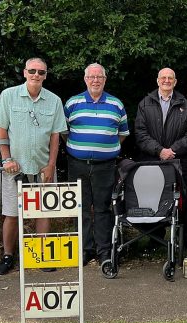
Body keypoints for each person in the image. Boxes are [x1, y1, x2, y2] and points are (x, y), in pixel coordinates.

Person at [0, 58, 67, 275]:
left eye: (41, 72)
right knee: (12, 214)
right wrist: (6, 160)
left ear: (45, 75)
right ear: (24, 72)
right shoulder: (9, 95)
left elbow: (55, 136)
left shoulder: (54, 100)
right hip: (15, 168)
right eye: (32, 71)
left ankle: (42, 256)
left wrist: (51, 164)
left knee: (43, 213)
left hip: (43, 168)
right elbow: (1, 130)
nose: (36, 75)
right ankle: (8, 256)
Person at [64, 63, 129, 265]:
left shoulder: (116, 104)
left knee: (103, 209)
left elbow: (123, 134)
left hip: (105, 165)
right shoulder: (72, 103)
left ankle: (104, 252)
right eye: (91, 77)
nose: (95, 80)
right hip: (77, 164)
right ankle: (84, 250)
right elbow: (63, 132)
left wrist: (105, 149)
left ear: (104, 79)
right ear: (85, 79)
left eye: (99, 77)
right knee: (80, 208)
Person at [134, 67, 187, 246]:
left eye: (171, 78)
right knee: (155, 199)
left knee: (183, 200)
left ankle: (185, 238)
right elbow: (140, 133)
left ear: (175, 82)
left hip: (179, 162)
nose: (167, 81)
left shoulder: (185, 105)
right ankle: (155, 238)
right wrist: (159, 150)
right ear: (157, 81)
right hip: (152, 161)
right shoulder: (145, 104)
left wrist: (172, 150)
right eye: (163, 78)